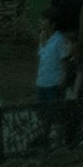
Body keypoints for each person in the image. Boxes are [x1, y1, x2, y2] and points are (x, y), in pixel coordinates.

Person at [34, 8, 71, 148]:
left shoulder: (59, 40)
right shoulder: (42, 39)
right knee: (44, 114)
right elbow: (41, 59)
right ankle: (45, 139)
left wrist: (63, 77)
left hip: (54, 83)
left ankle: (59, 142)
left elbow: (64, 61)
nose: (41, 22)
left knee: (57, 114)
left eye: (44, 20)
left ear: (52, 24)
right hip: (42, 82)